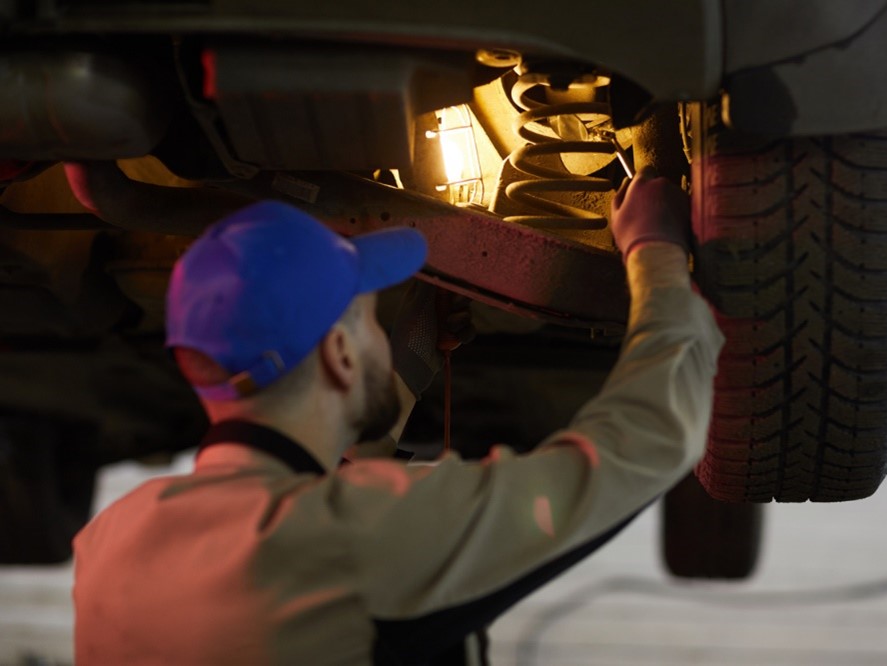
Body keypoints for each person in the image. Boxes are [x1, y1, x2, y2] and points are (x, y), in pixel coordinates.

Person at [72, 168, 724, 665]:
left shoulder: (111, 542)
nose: (379, 337)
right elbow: (644, 445)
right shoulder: (346, 539)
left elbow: (329, 499)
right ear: (338, 355)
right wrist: (655, 252)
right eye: (369, 322)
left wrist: (406, 361)